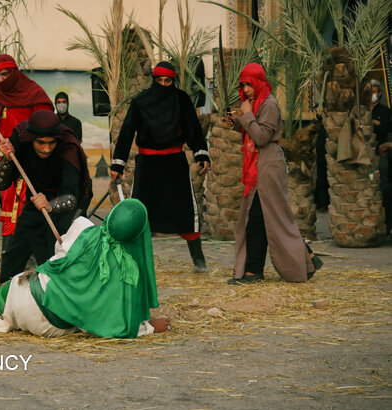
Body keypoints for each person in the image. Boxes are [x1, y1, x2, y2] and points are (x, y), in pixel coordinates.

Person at [0, 199, 170, 338]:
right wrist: (149, 327)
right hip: (45, 323)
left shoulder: (83, 228)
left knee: (34, 279)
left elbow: (58, 257)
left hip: (22, 290)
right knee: (60, 305)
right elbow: (117, 323)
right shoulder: (127, 271)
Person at [109, 61, 210, 273]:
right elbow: (127, 132)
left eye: (168, 81)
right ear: (153, 80)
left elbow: (193, 128)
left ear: (173, 81)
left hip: (175, 164)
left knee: (186, 212)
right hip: (148, 166)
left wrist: (201, 152)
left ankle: (199, 261)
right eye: (160, 80)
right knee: (140, 214)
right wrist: (118, 163)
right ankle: (135, 263)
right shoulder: (140, 102)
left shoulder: (181, 100)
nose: (163, 85)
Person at [225, 63, 322, 284]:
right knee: (271, 217)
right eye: (243, 85)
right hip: (258, 165)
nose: (246, 89)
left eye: (249, 84)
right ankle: (307, 257)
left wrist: (246, 116)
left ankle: (254, 271)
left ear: (259, 82)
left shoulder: (269, 105)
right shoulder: (255, 104)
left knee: (261, 218)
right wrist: (236, 121)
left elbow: (260, 137)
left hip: (268, 165)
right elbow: (250, 126)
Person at [0, 54, 53, 272]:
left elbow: (46, 127)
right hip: (7, 162)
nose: (1, 79)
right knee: (8, 209)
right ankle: (8, 259)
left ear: (15, 72)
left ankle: (33, 260)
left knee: (29, 207)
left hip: (31, 162)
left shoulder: (35, 94)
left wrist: (25, 145)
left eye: (6, 74)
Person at [0, 110, 90, 284]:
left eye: (51, 143)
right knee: (13, 254)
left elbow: (71, 198)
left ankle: (55, 295)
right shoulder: (20, 138)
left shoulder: (68, 147)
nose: (46, 149)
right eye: (41, 143)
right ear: (31, 138)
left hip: (64, 206)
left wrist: (50, 205)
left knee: (54, 258)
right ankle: (2, 296)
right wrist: (7, 160)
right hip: (35, 199)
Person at [369, 79, 392, 238]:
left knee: (382, 185)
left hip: (380, 152)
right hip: (365, 155)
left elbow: (387, 127)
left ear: (380, 93)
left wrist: (376, 123)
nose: (372, 94)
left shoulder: (384, 111)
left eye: (374, 91)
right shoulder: (362, 110)